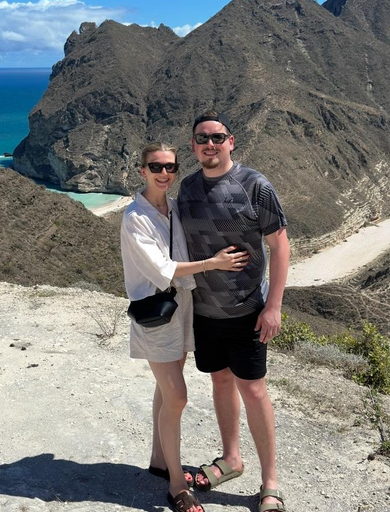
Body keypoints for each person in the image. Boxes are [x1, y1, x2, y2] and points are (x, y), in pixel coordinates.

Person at [120, 141, 250, 512]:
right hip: (156, 313)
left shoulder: (174, 209)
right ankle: (177, 485)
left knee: (166, 388)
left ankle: (159, 460)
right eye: (156, 166)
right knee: (177, 394)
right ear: (141, 170)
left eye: (171, 167)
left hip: (182, 308)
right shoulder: (135, 217)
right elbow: (165, 268)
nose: (164, 173)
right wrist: (215, 263)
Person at [177, 111, 290, 512]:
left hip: (248, 310)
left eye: (217, 137)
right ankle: (231, 458)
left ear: (231, 141)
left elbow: (280, 246)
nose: (210, 144)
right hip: (205, 312)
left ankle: (270, 481)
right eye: (202, 138)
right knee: (220, 382)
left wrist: (274, 306)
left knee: (254, 389)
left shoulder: (255, 185)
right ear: (192, 146)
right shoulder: (187, 190)